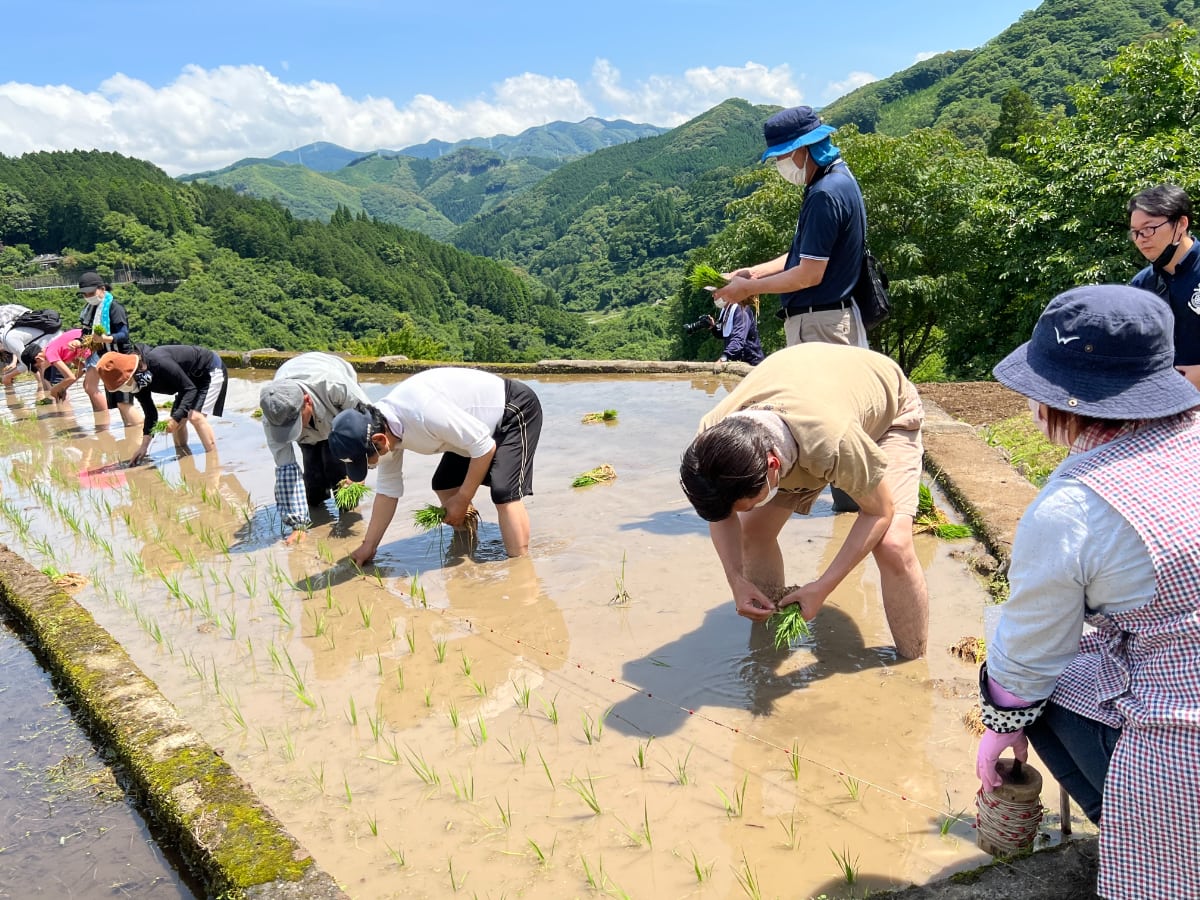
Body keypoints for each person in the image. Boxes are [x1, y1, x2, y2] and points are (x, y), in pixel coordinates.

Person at [975, 284, 1200, 900]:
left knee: (1033, 687)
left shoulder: (1074, 507)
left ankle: (1141, 829)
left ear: (1063, 401)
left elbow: (1029, 653)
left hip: (1185, 743)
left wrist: (1000, 725)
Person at [678, 342, 928, 659]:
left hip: (885, 413)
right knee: (752, 531)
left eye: (748, 502)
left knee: (893, 544)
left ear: (772, 467)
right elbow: (721, 517)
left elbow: (879, 511)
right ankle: (767, 648)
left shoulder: (832, 439)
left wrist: (822, 586)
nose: (742, 511)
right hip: (806, 402)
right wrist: (736, 580)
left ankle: (914, 665)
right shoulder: (711, 442)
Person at [327, 367, 543, 564]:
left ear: (380, 441)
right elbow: (387, 492)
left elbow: (484, 447)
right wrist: (369, 546)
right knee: (444, 483)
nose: (371, 467)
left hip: (512, 410)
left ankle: (520, 568)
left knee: (504, 492)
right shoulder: (384, 427)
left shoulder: (423, 412)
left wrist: (463, 498)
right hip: (470, 429)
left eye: (367, 462)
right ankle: (467, 540)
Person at [713, 105, 868, 350]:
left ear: (801, 150)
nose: (779, 164)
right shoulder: (837, 179)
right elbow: (809, 255)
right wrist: (753, 273)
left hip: (820, 326)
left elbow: (809, 275)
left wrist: (749, 289)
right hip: (826, 320)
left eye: (780, 157)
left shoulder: (824, 194)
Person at [259, 352, 371, 542]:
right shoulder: (273, 415)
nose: (295, 430)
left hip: (337, 414)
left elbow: (369, 422)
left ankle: (349, 515)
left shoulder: (335, 386)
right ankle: (314, 503)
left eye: (296, 423)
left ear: (307, 402)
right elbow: (286, 469)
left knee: (341, 477)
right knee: (313, 484)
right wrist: (299, 526)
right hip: (311, 424)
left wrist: (359, 470)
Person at [96, 344, 228, 465]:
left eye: (124, 384)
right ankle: (185, 462)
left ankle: (213, 465)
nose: (124, 389)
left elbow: (189, 389)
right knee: (178, 424)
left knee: (195, 416)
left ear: (130, 373)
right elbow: (150, 413)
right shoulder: (138, 383)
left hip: (209, 370)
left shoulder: (157, 362)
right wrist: (143, 447)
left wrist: (175, 419)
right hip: (188, 381)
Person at [1127, 184, 1200, 388]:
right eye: (1135, 233)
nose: (1141, 240)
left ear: (1181, 223)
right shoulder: (1141, 285)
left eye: (1149, 229)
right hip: (1165, 407)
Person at [76, 271, 142, 428]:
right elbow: (85, 333)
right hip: (105, 362)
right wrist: (78, 342)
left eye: (91, 293)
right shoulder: (90, 311)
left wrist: (105, 339)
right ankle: (130, 440)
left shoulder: (114, 308)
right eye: (85, 294)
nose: (88, 296)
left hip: (121, 360)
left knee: (125, 403)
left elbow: (124, 335)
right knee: (119, 405)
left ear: (102, 289)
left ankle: (143, 436)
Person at [698, 295, 764, 365]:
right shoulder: (726, 310)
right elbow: (724, 334)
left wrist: (724, 357)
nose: (713, 295)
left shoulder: (741, 309)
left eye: (715, 291)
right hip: (737, 362)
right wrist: (713, 327)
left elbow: (738, 339)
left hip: (751, 364)